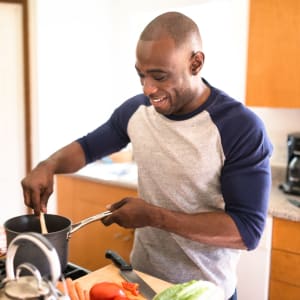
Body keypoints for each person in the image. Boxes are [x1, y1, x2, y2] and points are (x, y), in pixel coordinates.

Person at [21, 12, 272, 300]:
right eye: (141, 74)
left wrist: (153, 216)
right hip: (139, 285)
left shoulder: (239, 127)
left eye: (159, 76)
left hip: (203, 292)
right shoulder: (137, 111)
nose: (148, 88)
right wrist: (47, 165)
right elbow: (88, 148)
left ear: (196, 63)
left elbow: (246, 231)